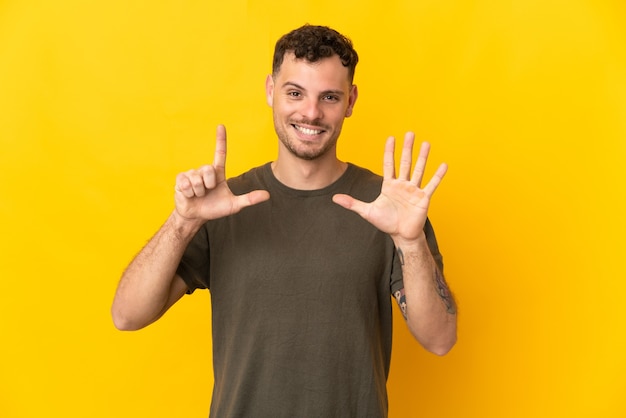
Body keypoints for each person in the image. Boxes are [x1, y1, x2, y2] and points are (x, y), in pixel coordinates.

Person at [111, 24, 457, 418]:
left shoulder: (388, 208)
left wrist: (410, 243)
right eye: (295, 93)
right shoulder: (223, 205)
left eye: (329, 96)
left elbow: (440, 340)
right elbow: (127, 315)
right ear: (270, 91)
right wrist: (182, 221)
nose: (311, 112)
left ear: (351, 100)